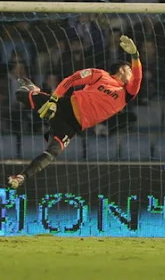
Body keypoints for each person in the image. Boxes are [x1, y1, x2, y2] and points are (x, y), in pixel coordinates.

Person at [6, 36, 142, 189]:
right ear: (122, 69)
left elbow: (137, 80)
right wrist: (53, 99)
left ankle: (21, 177)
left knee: (52, 153)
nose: (133, 74)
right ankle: (34, 89)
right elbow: (71, 80)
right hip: (63, 106)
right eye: (130, 69)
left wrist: (135, 56)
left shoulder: (126, 94)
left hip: (73, 125)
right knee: (20, 94)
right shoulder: (100, 75)